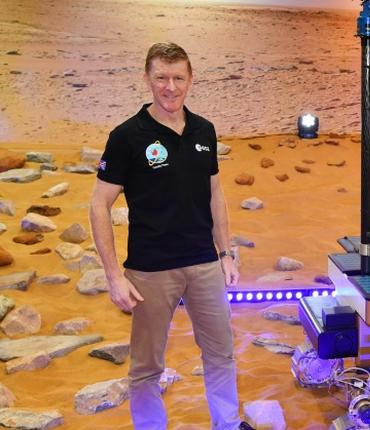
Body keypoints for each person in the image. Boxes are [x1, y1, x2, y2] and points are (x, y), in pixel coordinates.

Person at [89, 42, 254, 430]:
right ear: (147, 79)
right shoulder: (127, 136)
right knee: (147, 368)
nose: (170, 86)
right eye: (161, 77)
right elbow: (99, 205)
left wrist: (225, 253)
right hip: (150, 271)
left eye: (178, 77)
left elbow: (214, 194)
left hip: (203, 264)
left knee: (220, 355)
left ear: (190, 79)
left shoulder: (204, 130)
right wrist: (114, 276)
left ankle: (227, 424)